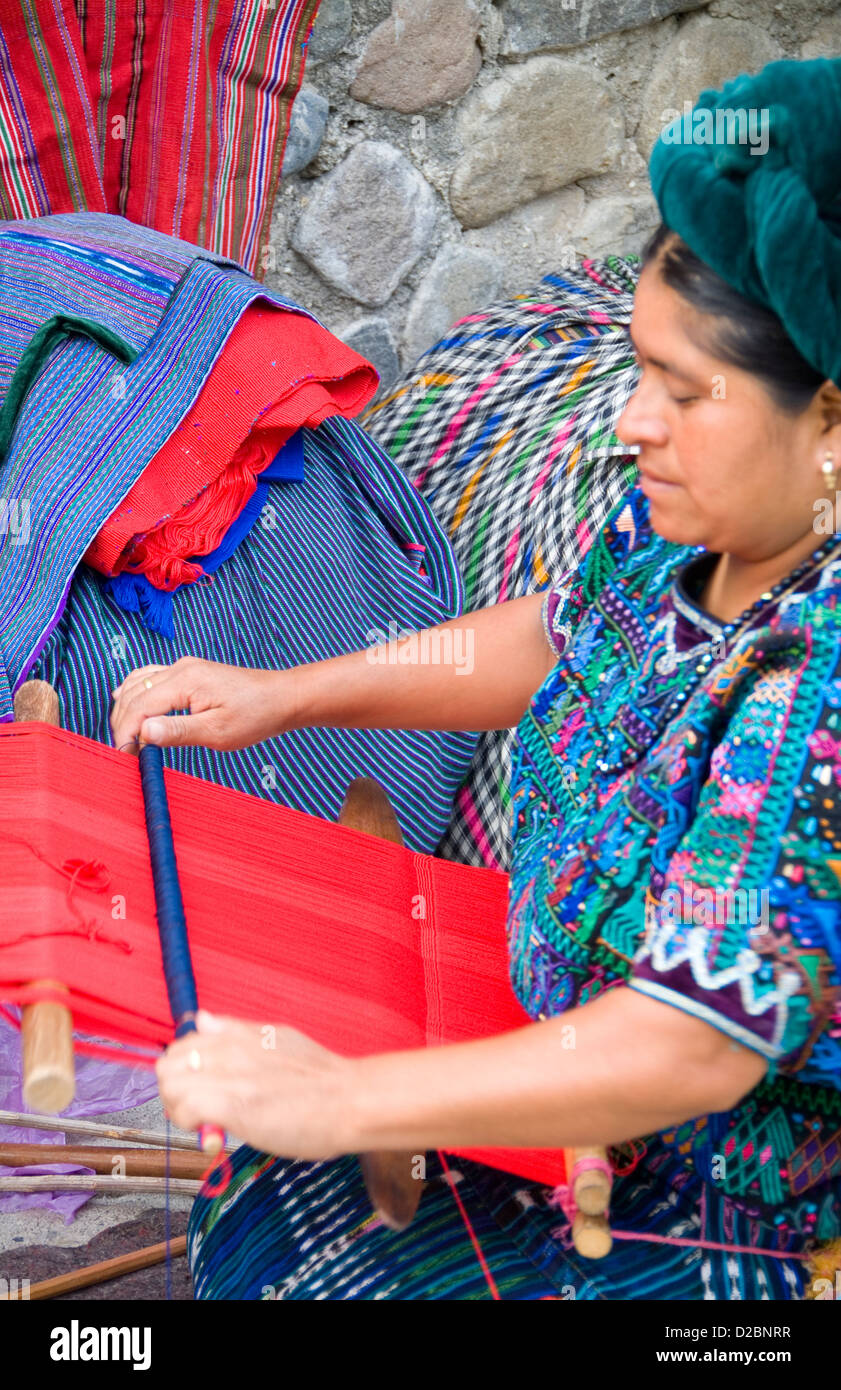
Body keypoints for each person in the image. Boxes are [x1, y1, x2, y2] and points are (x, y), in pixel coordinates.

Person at [110, 56, 841, 1300]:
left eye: (679, 390)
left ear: (827, 418)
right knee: (255, 1201)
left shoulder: (812, 673)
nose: (631, 422)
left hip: (701, 1202)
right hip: (532, 1044)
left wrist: (349, 1095)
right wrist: (284, 692)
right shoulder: (698, 524)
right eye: (635, 372)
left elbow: (691, 1040)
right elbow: (555, 634)